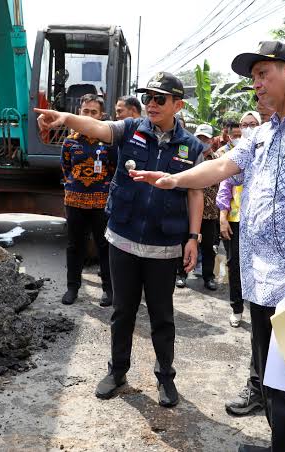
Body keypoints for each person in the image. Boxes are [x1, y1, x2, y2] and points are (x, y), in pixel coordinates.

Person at [130, 41, 285, 452]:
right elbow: (222, 165)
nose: (256, 86)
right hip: (263, 281)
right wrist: (173, 179)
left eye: (262, 75)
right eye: (253, 79)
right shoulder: (264, 133)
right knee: (273, 387)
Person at [36, 71, 204, 408]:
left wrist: (193, 237)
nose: (151, 104)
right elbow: (97, 128)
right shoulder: (129, 130)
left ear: (177, 104)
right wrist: (65, 118)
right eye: (147, 98)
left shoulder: (192, 147)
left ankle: (165, 378)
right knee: (122, 312)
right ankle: (117, 371)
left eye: (159, 99)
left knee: (162, 316)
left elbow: (196, 193)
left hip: (164, 247)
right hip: (123, 240)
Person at [59, 94, 116, 307]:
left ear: (101, 115)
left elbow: (112, 169)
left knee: (104, 246)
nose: (89, 115)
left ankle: (108, 289)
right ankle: (72, 287)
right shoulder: (70, 141)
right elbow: (66, 169)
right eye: (86, 111)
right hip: (74, 201)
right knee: (75, 246)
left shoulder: (109, 142)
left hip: (101, 203)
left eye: (94, 112)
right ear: (79, 113)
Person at [217, 111, 260, 330]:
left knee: (258, 266)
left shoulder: (266, 151)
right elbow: (225, 187)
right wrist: (223, 217)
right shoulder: (235, 154)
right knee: (235, 265)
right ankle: (237, 308)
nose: (249, 128)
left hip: (260, 220)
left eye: (254, 124)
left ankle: (259, 308)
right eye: (245, 124)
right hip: (235, 219)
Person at [194, 123, 220, 291]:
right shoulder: (189, 156)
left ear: (211, 140)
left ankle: (208, 277)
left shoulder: (218, 160)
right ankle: (181, 274)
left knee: (209, 247)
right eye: (199, 138)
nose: (202, 141)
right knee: (186, 242)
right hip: (190, 211)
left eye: (205, 138)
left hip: (210, 213)